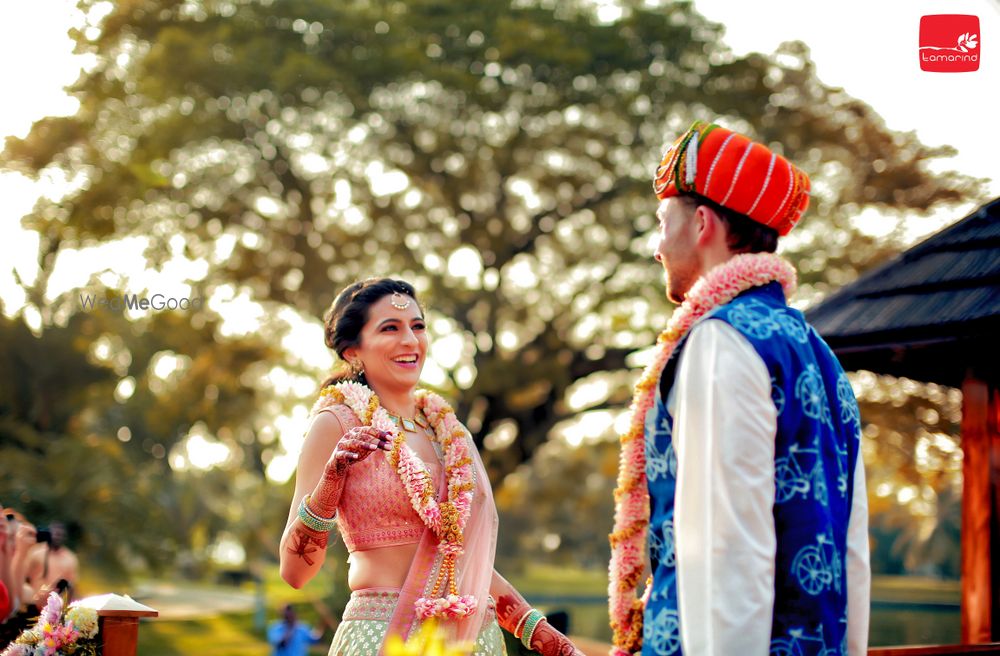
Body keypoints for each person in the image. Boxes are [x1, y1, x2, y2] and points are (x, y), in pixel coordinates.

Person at [608, 121, 871, 655]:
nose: (657, 246)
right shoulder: (814, 348)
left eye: (664, 222)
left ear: (702, 223)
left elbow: (725, 550)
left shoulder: (720, 341)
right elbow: (852, 553)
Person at [279, 278, 582, 656]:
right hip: (383, 637)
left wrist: (556, 645)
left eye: (418, 326)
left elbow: (469, 564)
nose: (410, 340)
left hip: (474, 640)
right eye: (390, 328)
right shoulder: (336, 423)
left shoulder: (449, 433)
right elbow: (295, 573)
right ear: (353, 348)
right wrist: (329, 483)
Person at [24, 521, 78, 606]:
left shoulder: (70, 558)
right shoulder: (35, 552)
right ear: (49, 534)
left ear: (64, 537)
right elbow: (25, 578)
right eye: (55, 534)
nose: (57, 537)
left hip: (55, 608)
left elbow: (71, 587)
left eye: (60, 535)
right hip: (32, 603)